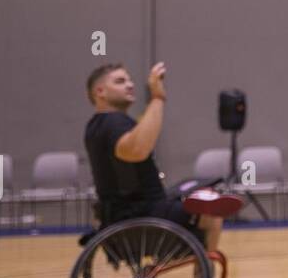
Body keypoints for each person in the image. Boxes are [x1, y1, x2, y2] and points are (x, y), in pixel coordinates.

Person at [83, 62, 225, 251]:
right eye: (120, 81)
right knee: (211, 208)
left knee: (195, 194)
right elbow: (137, 150)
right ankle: (204, 275)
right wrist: (157, 97)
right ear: (100, 92)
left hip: (126, 213)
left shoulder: (97, 125)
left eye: (129, 80)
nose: (130, 85)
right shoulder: (112, 122)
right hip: (142, 215)